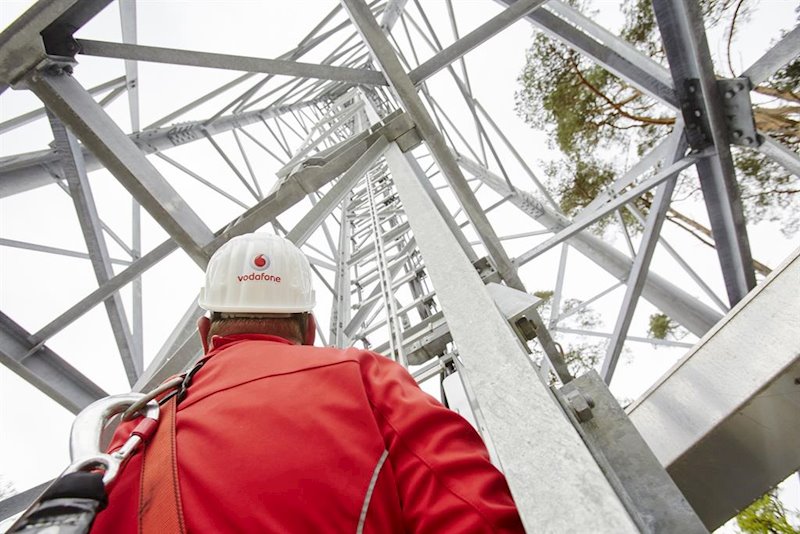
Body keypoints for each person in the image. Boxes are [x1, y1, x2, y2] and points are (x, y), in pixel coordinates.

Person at [91, 232, 525, 533]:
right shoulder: (362, 375)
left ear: (206, 332)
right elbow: (471, 511)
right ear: (310, 328)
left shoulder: (143, 419)